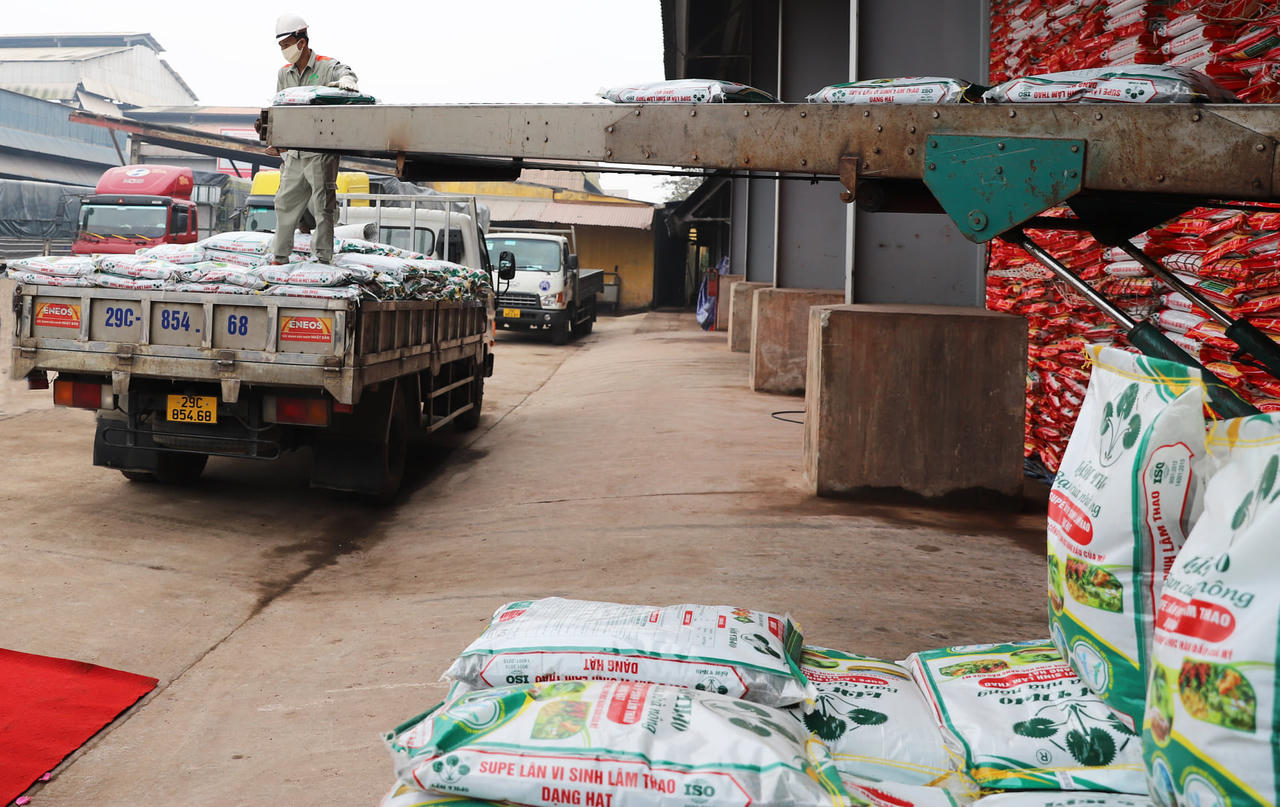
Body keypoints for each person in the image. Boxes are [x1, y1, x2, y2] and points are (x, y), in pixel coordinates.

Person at [266, 13, 358, 265]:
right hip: (294, 153)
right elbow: (279, 109)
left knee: (322, 206)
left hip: (320, 152)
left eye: (287, 45)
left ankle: (323, 256)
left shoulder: (326, 66)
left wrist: (347, 80)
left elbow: (346, 71)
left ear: (301, 42)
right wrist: (275, 141)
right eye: (281, 47)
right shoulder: (284, 74)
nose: (284, 51)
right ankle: (280, 256)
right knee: (284, 204)